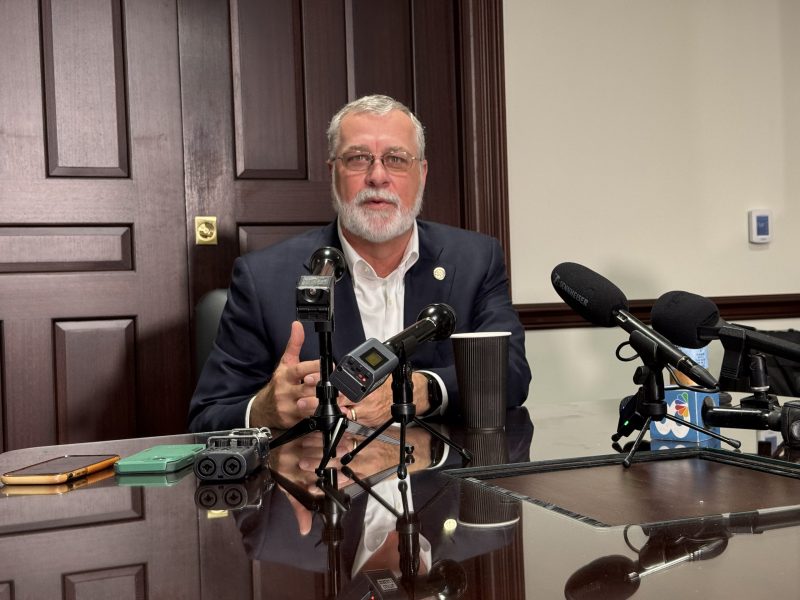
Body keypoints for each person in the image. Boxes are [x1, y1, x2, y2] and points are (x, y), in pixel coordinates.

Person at [188, 94, 531, 433]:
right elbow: (208, 415)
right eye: (357, 159)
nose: (378, 177)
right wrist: (264, 409)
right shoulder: (263, 278)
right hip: (321, 481)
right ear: (332, 172)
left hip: (441, 479)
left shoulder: (475, 260)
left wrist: (418, 389)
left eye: (396, 159)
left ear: (422, 173)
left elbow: (510, 375)